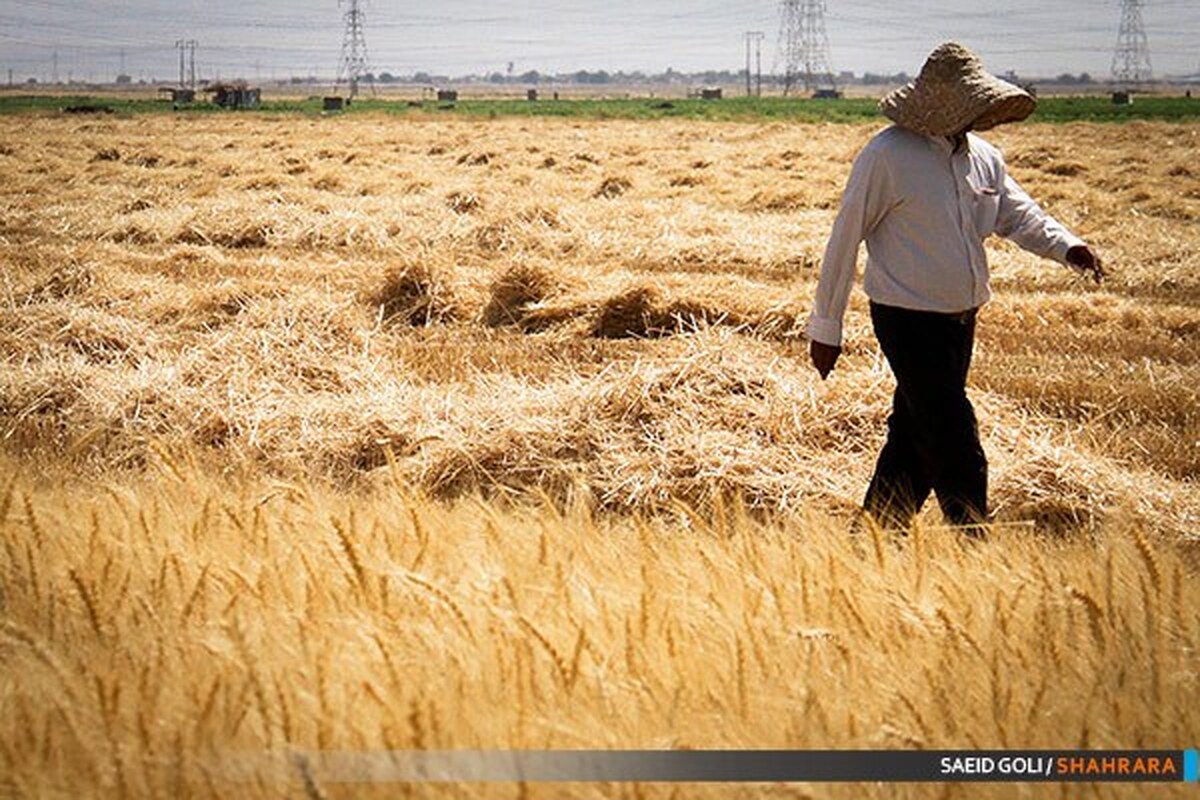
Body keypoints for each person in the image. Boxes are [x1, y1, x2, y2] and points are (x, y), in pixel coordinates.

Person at [805, 42, 1104, 533]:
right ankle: (973, 537)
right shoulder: (887, 156)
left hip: (961, 319)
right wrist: (826, 327)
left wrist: (1067, 246)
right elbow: (845, 238)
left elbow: (1016, 213)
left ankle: (875, 538)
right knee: (953, 433)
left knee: (915, 434)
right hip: (905, 317)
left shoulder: (984, 159)